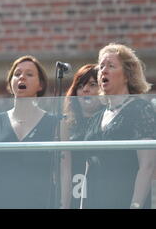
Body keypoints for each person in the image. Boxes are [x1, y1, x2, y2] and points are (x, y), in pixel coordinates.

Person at [0, 55, 58, 209]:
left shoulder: (55, 124)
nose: (22, 77)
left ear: (40, 85)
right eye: (17, 74)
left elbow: (63, 171)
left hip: (41, 203)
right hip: (0, 203)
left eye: (29, 74)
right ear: (10, 83)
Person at [82, 43, 156, 209]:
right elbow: (89, 168)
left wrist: (135, 206)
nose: (103, 71)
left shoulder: (141, 110)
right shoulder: (96, 118)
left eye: (111, 66)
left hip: (125, 202)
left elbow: (148, 165)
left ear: (127, 76)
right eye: (101, 67)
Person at [60, 64, 103, 209]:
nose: (85, 90)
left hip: (103, 195)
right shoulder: (66, 126)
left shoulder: (110, 123)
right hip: (73, 196)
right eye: (80, 86)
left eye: (92, 85)